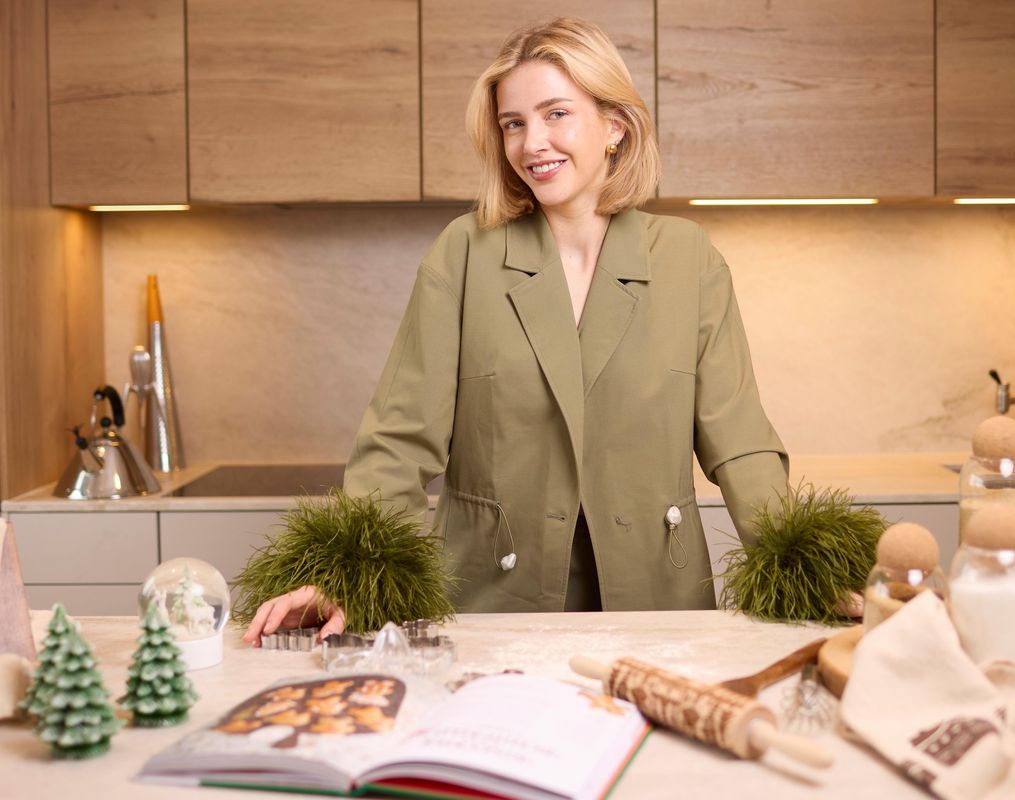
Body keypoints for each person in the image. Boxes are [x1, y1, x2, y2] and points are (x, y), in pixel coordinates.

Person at [244, 17, 788, 645]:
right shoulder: (465, 252)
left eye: (557, 114)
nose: (533, 143)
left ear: (615, 125)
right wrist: (353, 575)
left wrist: (810, 567)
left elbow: (741, 443)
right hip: (489, 611)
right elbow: (397, 441)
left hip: (658, 612)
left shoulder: (688, 259)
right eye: (514, 123)